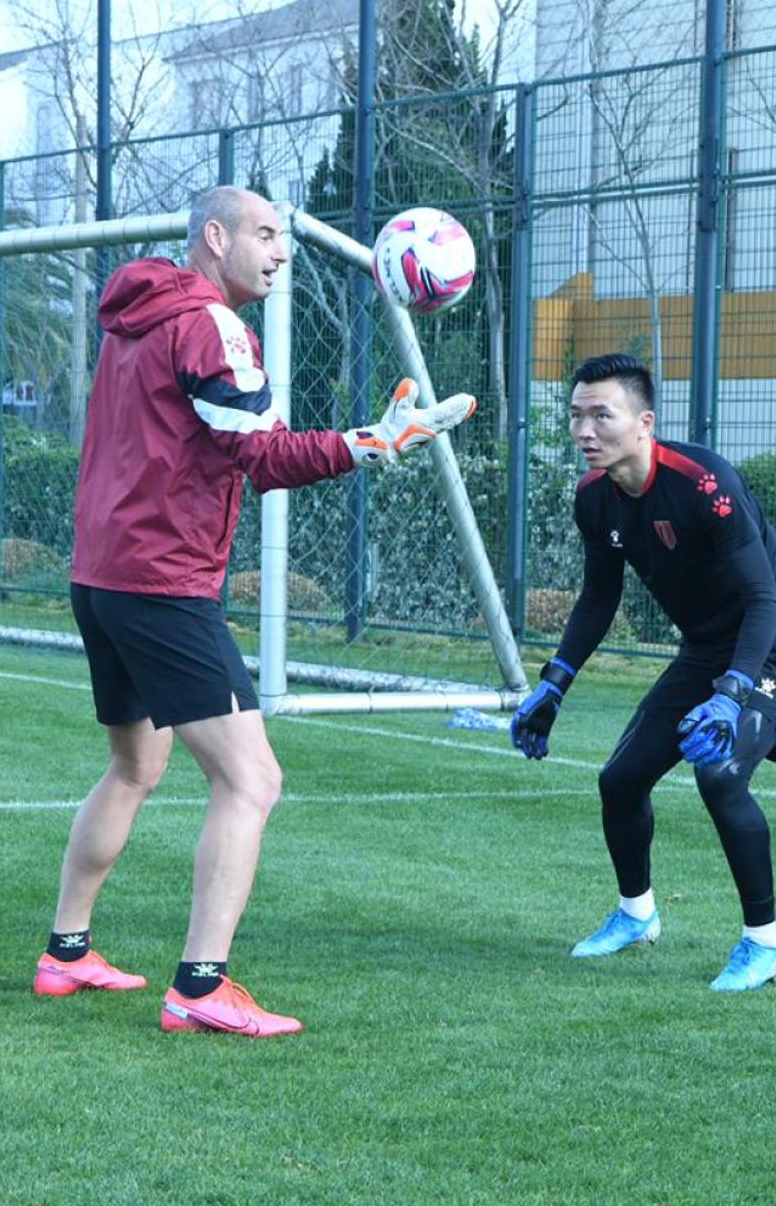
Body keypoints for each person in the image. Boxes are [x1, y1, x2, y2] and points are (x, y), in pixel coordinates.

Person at [35, 185, 475, 1037]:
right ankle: (201, 989)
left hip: (104, 573)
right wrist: (374, 444)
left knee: (134, 768)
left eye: (283, 238)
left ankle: (67, 952)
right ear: (214, 236)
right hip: (161, 581)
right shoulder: (210, 324)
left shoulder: (139, 315)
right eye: (265, 234)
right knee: (251, 778)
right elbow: (263, 457)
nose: (279, 252)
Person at [511, 353, 776, 993]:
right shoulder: (593, 499)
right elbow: (599, 599)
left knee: (718, 772)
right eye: (576, 416)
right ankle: (637, 915)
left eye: (601, 415)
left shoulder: (702, 483)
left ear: (644, 422)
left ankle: (765, 946)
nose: (584, 431)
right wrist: (553, 684)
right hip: (709, 649)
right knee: (620, 779)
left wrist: (731, 696)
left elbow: (765, 600)